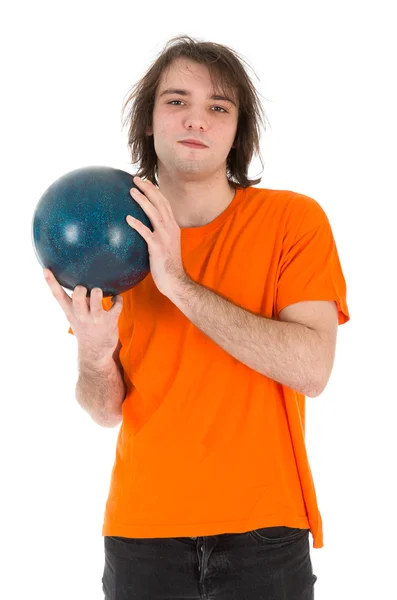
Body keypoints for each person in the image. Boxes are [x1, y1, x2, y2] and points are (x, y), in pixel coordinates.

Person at [43, 34, 350, 600]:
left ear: (238, 131)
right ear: (149, 121)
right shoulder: (110, 238)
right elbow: (104, 410)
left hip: (264, 530)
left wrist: (178, 285)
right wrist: (92, 349)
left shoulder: (292, 221)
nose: (197, 119)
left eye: (219, 107)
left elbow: (313, 368)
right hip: (141, 533)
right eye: (177, 100)